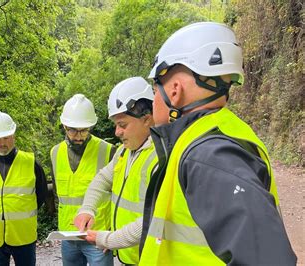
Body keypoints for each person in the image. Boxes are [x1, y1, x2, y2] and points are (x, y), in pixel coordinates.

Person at [138, 22, 297, 265]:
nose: (153, 101)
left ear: (174, 91)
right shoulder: (209, 139)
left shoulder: (207, 154)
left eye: (154, 89)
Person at [74, 77, 157, 265]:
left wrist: (108, 239)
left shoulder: (161, 157)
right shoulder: (123, 152)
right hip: (128, 256)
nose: (117, 132)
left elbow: (152, 218)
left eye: (123, 125)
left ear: (146, 120)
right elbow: (101, 181)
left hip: (149, 258)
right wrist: (87, 209)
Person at [50, 94, 115, 266]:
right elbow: (57, 194)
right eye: (73, 130)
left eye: (84, 130)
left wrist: (111, 235)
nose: (79, 136)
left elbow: (118, 195)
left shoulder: (107, 151)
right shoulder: (55, 153)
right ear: (64, 126)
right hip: (68, 235)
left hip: (97, 236)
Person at [0, 111, 48, 266]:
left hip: (23, 236)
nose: (2, 142)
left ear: (14, 136)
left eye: (6, 137)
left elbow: (41, 194)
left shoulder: (31, 163)